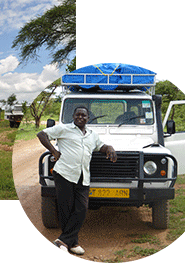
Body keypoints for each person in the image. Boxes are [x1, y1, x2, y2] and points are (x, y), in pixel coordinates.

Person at [37, 106, 117, 255]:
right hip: (64, 173)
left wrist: (110, 148)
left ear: (88, 118)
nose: (80, 117)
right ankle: (72, 243)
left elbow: (101, 147)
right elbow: (41, 134)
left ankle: (62, 241)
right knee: (65, 208)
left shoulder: (92, 135)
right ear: (73, 116)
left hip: (83, 175)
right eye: (77, 115)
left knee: (81, 208)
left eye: (83, 115)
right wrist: (53, 151)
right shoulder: (64, 129)